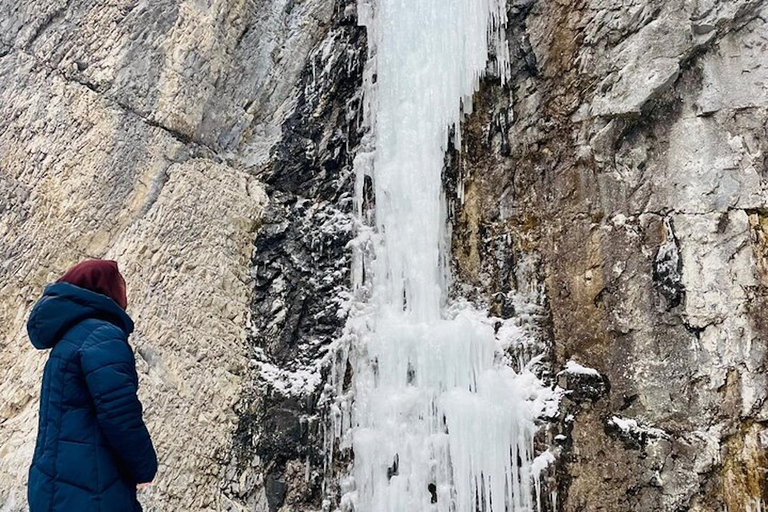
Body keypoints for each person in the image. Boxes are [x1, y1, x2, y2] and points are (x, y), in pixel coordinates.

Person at [26, 259, 157, 512]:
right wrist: (144, 467)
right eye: (121, 286)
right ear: (106, 290)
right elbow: (119, 410)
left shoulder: (69, 340)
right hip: (91, 486)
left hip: (54, 483)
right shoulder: (102, 335)